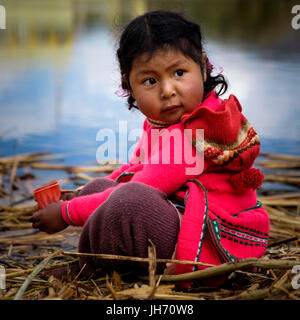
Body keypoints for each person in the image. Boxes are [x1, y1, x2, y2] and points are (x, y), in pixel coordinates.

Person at [29, 10, 269, 289]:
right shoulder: (160, 124)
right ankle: (118, 258)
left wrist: (66, 213)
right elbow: (134, 169)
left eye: (179, 73)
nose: (167, 90)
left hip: (213, 245)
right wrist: (78, 194)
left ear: (203, 68)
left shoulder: (193, 134)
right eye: (150, 81)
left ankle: (87, 268)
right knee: (102, 186)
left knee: (129, 198)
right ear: (128, 85)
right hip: (183, 216)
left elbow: (140, 188)